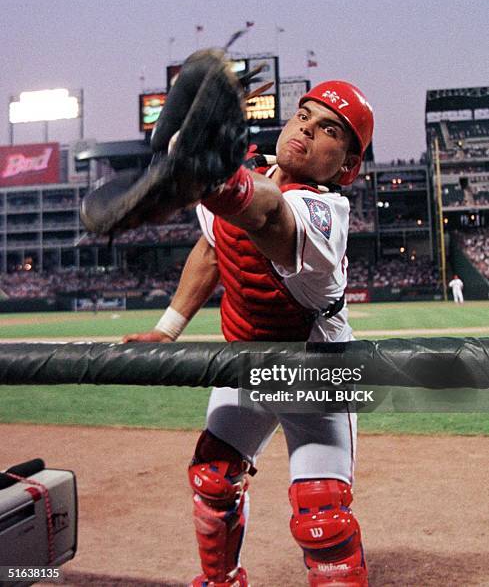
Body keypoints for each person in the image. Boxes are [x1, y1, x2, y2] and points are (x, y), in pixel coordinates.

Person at [124, 80, 374, 587]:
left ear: (347, 165)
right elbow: (213, 246)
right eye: (305, 114)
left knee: (322, 519)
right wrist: (167, 328)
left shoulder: (324, 211)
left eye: (330, 129)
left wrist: (215, 177)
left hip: (313, 374)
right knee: (212, 481)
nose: (308, 127)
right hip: (244, 365)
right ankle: (222, 582)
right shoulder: (248, 180)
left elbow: (267, 215)